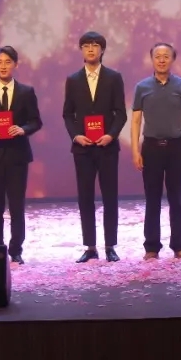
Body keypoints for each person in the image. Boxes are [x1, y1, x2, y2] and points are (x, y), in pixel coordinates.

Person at [0, 45, 43, 264]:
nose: (3, 66)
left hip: (17, 156)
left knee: (16, 206)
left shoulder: (26, 92)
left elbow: (36, 121)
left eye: (8, 62)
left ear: (15, 64)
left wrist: (23, 129)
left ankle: (16, 250)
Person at [62, 31, 127, 263]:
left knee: (110, 197)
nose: (91, 49)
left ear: (102, 50)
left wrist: (111, 135)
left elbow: (120, 113)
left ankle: (110, 246)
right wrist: (76, 136)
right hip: (83, 148)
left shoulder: (113, 77)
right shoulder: (73, 79)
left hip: (107, 147)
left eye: (95, 45)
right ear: (81, 50)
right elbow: (68, 114)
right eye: (86, 45)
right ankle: (90, 247)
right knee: (85, 197)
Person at [131, 42, 181, 260]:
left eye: (166, 56)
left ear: (172, 59)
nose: (161, 60)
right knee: (152, 199)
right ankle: (151, 247)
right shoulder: (142, 87)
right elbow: (136, 121)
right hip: (151, 148)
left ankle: (179, 245)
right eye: (157, 56)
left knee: (177, 199)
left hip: (176, 147)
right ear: (151, 59)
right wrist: (135, 150)